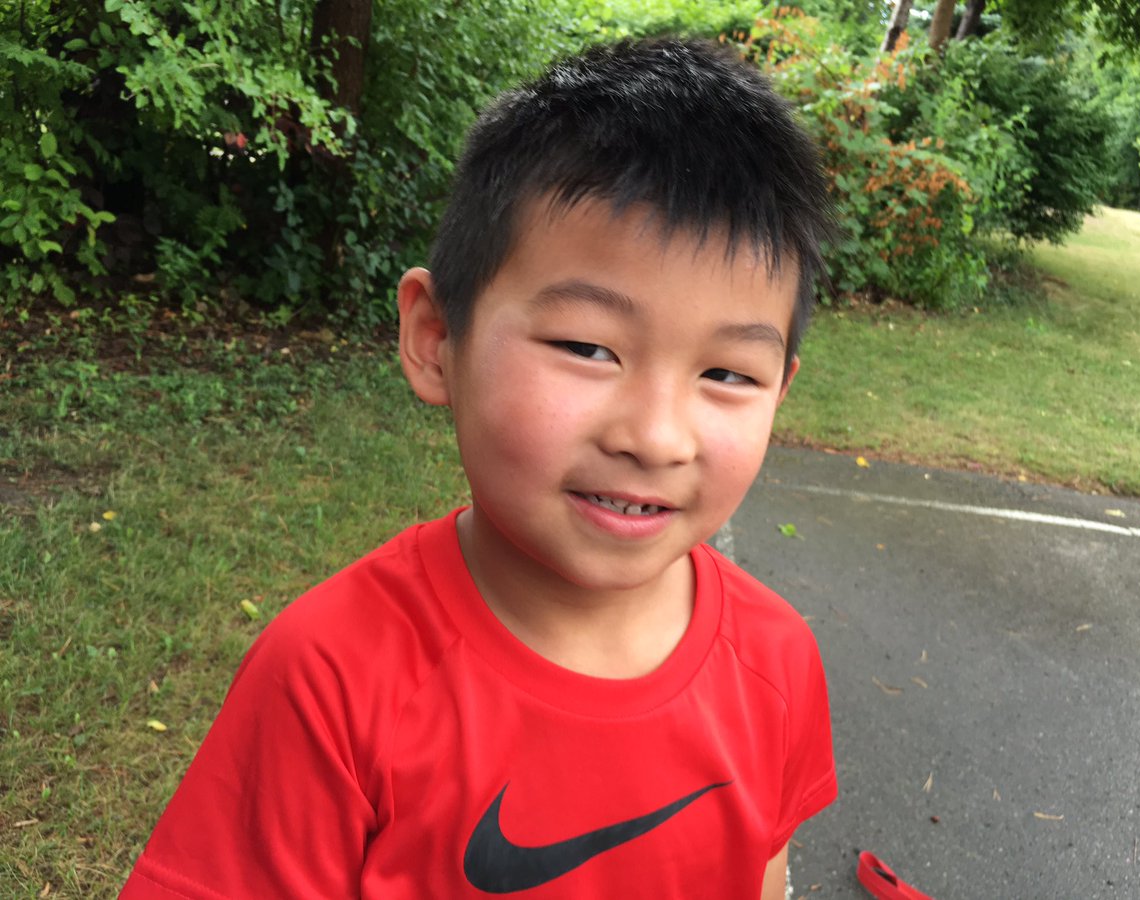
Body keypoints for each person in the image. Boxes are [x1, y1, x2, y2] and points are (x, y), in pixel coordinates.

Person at [122, 36, 837, 899]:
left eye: (727, 374)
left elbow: (763, 872)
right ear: (436, 339)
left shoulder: (777, 662)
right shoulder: (331, 680)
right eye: (587, 346)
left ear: (780, 390)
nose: (656, 437)